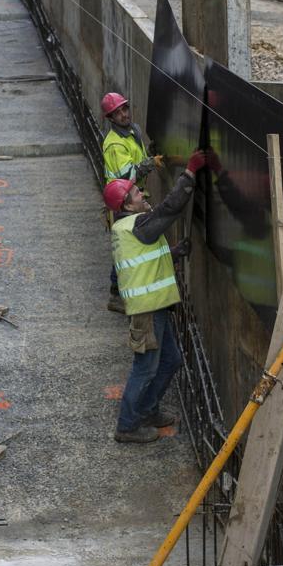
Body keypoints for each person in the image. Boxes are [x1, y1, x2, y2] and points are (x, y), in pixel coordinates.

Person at [104, 150, 207, 443]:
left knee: (171, 360)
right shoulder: (138, 224)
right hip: (147, 310)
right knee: (145, 368)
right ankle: (127, 426)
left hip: (155, 307)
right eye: (137, 193)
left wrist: (174, 253)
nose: (142, 194)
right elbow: (170, 208)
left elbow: (145, 259)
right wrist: (189, 172)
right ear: (126, 204)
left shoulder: (131, 227)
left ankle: (148, 410)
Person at [101, 92, 162, 313]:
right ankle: (116, 294)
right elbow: (128, 175)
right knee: (125, 248)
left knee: (129, 246)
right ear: (110, 118)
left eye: (124, 109)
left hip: (134, 196)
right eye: (118, 113)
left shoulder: (132, 130)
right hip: (122, 201)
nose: (123, 114)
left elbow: (138, 156)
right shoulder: (114, 144)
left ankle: (122, 290)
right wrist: (150, 163)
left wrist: (150, 153)